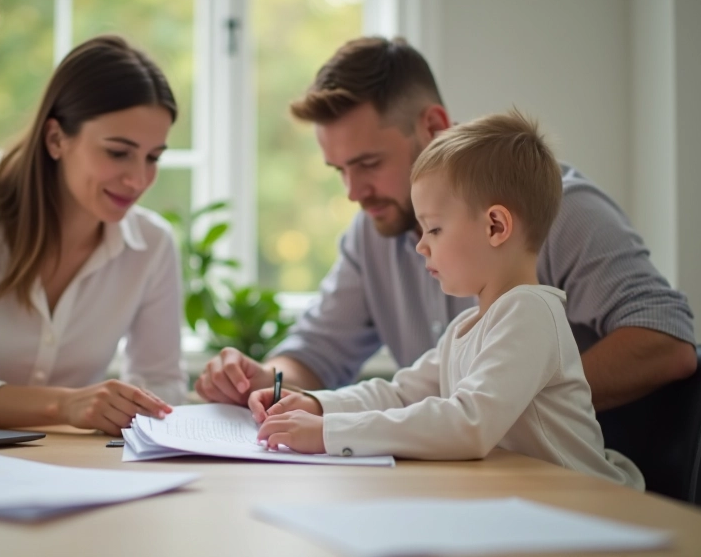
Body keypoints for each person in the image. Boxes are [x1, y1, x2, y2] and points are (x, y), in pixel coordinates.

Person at [196, 36, 696, 413]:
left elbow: (665, 342)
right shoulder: (373, 234)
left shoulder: (558, 210)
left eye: (368, 163)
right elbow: (316, 355)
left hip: (567, 485)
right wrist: (263, 378)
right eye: (339, 171)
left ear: (433, 126)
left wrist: (518, 398)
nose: (352, 191)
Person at [248, 110, 644, 490]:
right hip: (528, 498)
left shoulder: (531, 313)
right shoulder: (468, 327)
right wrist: (316, 406)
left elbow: (469, 423)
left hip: (590, 502)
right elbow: (400, 394)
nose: (420, 245)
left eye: (434, 229)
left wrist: (330, 434)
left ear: (495, 226)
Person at [0, 36, 186, 436]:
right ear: (56, 139)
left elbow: (162, 388)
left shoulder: (152, 245)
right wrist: (64, 404)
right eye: (118, 152)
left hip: (76, 464)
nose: (139, 179)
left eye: (153, 158)